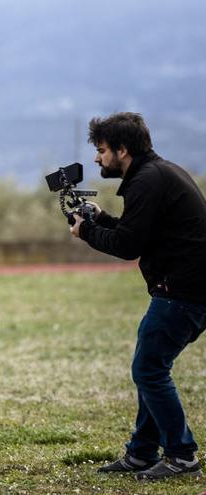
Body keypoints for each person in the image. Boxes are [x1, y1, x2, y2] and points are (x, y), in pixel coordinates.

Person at [70, 112, 206, 481]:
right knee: (151, 367)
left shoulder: (146, 181)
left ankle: (181, 456)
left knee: (148, 369)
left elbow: (128, 247)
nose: (97, 159)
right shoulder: (157, 174)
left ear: (122, 149)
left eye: (101, 151)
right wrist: (101, 219)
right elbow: (141, 234)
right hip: (186, 287)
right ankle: (142, 453)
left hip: (183, 291)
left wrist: (87, 233)